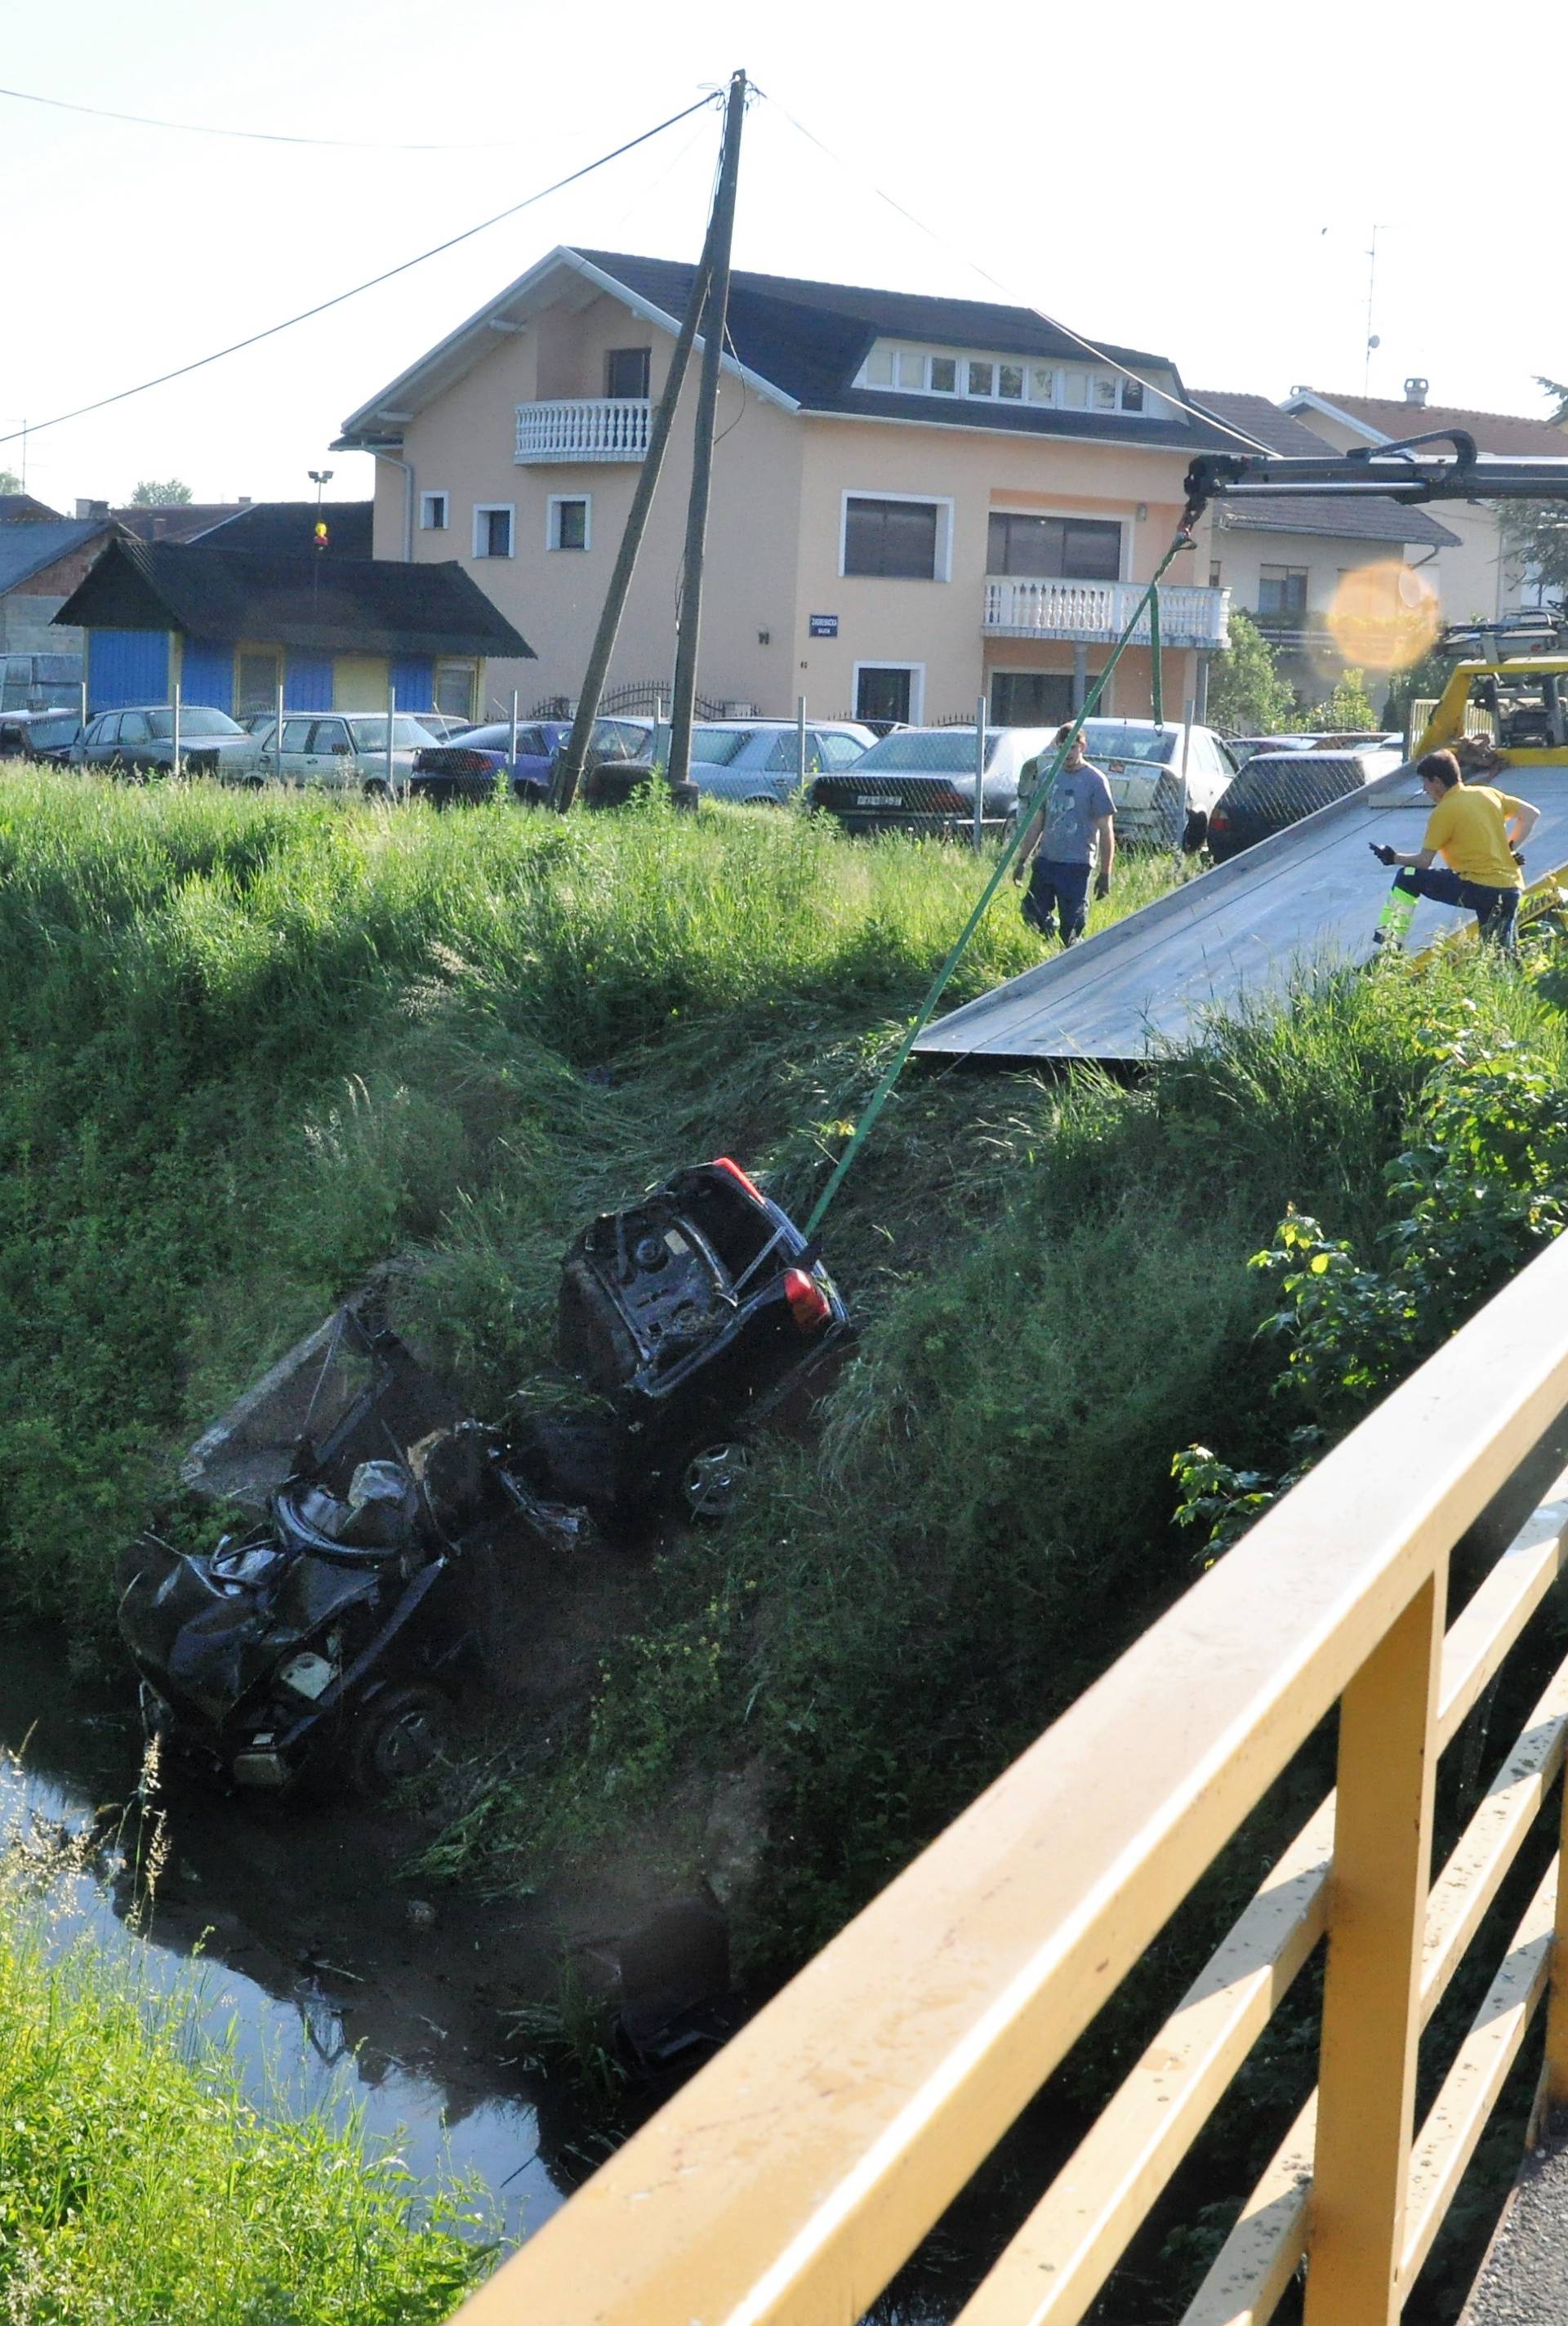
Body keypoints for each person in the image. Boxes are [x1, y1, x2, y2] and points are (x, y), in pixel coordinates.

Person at [1370, 748, 1539, 951]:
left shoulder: (1444, 811)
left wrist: (1394, 857)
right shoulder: (1487, 793)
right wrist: (1509, 848)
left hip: (1478, 888)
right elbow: (1531, 814)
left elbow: (1424, 862)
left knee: (1408, 875)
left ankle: (1389, 945)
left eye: (1425, 783)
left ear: (1437, 782)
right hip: (1510, 889)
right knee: (1500, 956)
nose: (1424, 789)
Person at [1011, 724, 1116, 947]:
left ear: (1083, 747)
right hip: (1048, 860)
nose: (1067, 754)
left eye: (1072, 747)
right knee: (1032, 912)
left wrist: (1105, 873)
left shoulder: (1095, 781)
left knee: (1072, 928)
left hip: (1077, 865)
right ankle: (1044, 951)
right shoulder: (1049, 776)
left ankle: (1071, 961)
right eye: (1062, 747)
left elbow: (1106, 831)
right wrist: (1023, 860)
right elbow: (1037, 821)